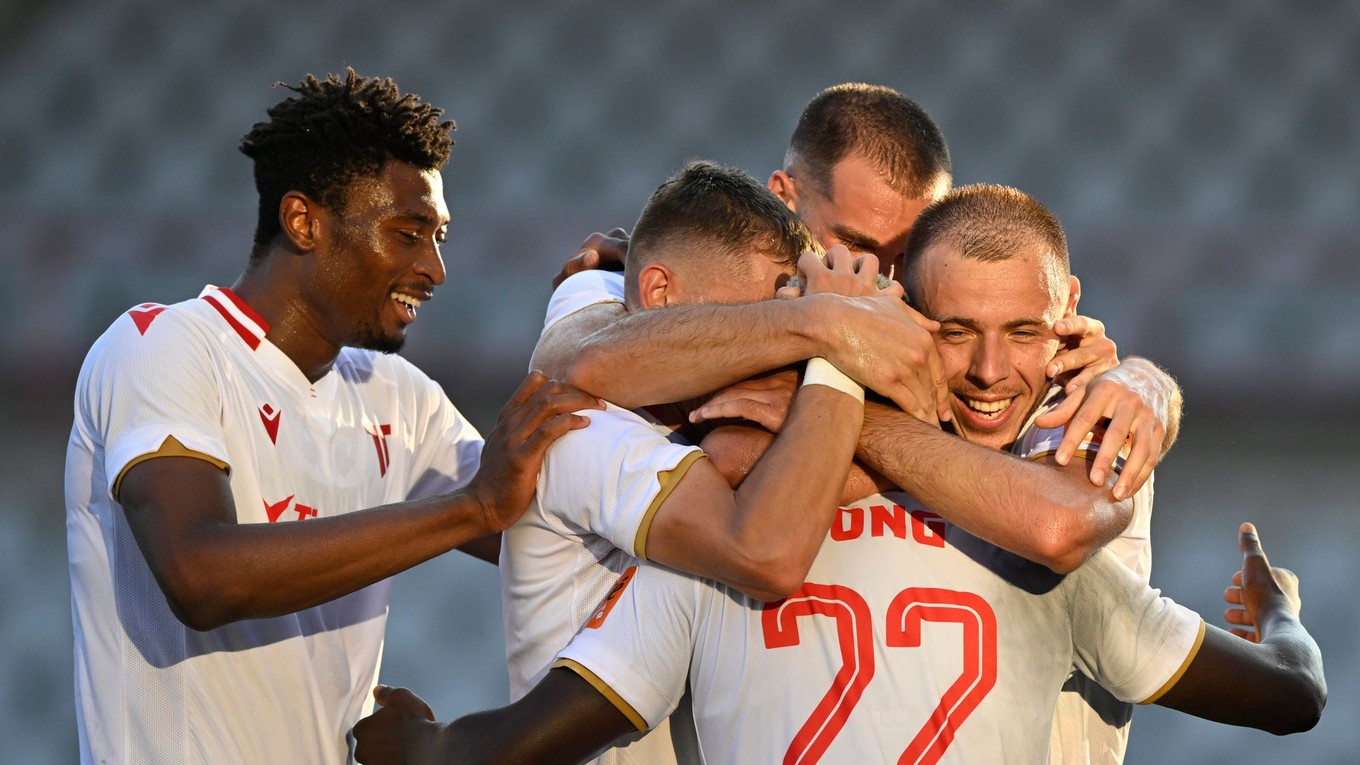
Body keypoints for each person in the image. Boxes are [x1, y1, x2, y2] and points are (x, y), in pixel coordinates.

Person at [351, 186, 1326, 764]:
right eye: (957, 334)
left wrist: (421, 750)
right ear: (903, 330)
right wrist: (1279, 610)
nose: (989, 371)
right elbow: (1288, 696)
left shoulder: (716, 550)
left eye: (1020, 332)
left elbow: (522, 740)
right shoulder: (1038, 564)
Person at [542, 83, 1180, 763]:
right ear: (786, 199)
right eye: (855, 244)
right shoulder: (649, 285)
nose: (887, 279)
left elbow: (1059, 518)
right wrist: (821, 326)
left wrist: (1149, 383)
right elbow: (573, 362)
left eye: (912, 251)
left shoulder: (1004, 357)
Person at [64, 69, 600, 765]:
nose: (435, 268)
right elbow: (200, 574)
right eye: (408, 234)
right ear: (303, 221)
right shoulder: (163, 344)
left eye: (439, 236)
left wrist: (610, 308)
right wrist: (472, 507)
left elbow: (553, 528)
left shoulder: (396, 394)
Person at [501, 159, 926, 763]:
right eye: (752, 322)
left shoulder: (709, 397)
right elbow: (764, 550)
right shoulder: (580, 427)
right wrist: (831, 338)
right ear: (658, 293)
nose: (768, 352)